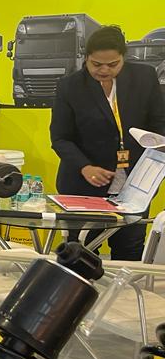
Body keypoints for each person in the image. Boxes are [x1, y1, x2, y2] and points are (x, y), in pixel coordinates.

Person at [51, 25, 165, 260]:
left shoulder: (144, 77)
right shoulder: (70, 86)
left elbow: (159, 123)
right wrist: (85, 167)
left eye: (113, 64)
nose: (104, 70)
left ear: (123, 57)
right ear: (86, 58)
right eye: (96, 64)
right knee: (81, 251)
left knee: (130, 248)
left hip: (134, 185)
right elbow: (60, 137)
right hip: (84, 186)